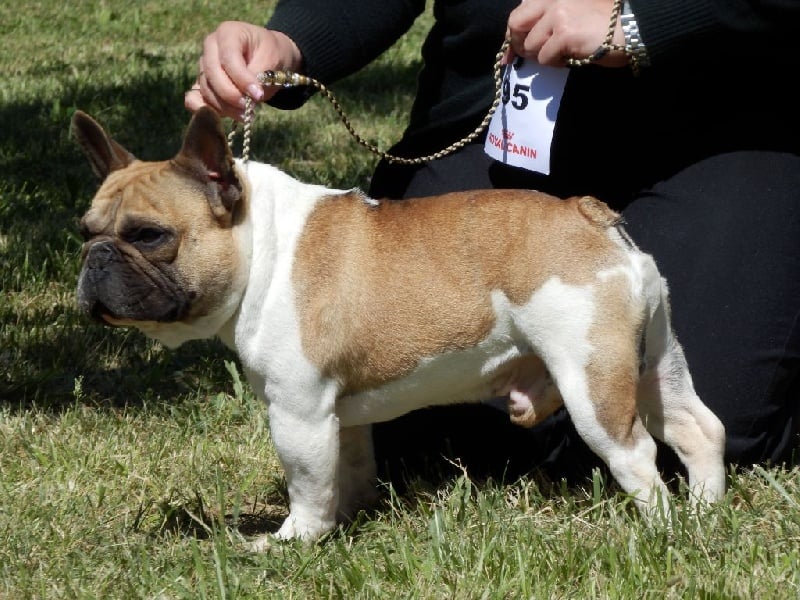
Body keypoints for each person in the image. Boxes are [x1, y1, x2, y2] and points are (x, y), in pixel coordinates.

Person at [185, 0, 800, 486]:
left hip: (718, 126)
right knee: (406, 424)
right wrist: (292, 40)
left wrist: (645, 20)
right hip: (494, 120)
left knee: (707, 419)